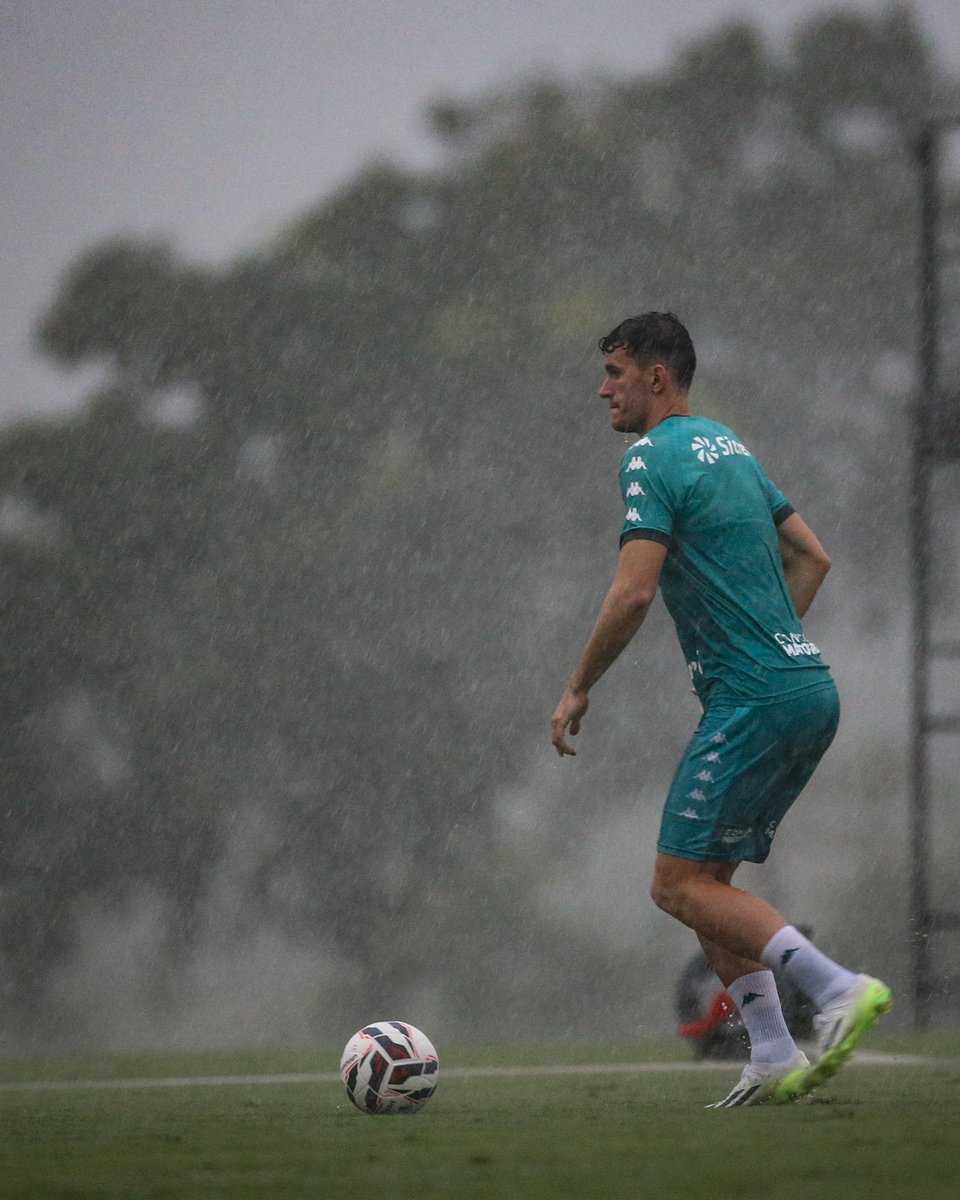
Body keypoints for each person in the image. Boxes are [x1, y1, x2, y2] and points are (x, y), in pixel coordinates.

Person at [550, 312, 891, 1108]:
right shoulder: (730, 446)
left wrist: (578, 686)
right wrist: (771, 640)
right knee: (711, 883)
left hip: (755, 698)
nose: (604, 390)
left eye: (616, 374)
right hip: (806, 686)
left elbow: (633, 590)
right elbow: (814, 555)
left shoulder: (648, 457)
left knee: (674, 886)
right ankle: (773, 1052)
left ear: (656, 378)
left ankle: (838, 989)